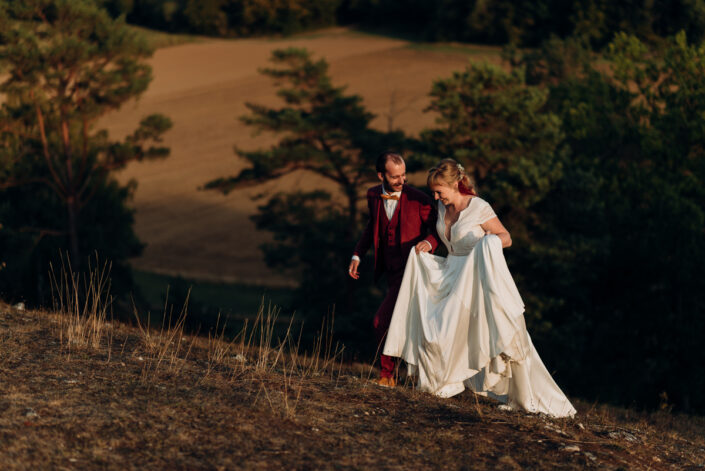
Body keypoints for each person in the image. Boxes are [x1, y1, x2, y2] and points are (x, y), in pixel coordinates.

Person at [383, 158, 576, 417]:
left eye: (440, 191)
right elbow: (441, 237)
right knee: (436, 328)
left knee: (498, 331)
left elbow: (505, 236)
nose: (436, 197)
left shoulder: (478, 207)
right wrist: (429, 245)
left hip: (475, 277)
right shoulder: (442, 208)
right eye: (434, 193)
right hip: (450, 275)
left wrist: (490, 244)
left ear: (455, 185)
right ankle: (439, 383)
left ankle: (524, 396)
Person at [349, 152, 439, 388]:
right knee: (404, 322)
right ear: (381, 175)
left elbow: (439, 229)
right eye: (395, 177)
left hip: (412, 272)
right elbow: (372, 226)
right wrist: (358, 253)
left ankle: (388, 374)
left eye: (404, 175)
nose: (402, 181)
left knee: (381, 321)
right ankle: (400, 376)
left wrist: (429, 243)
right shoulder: (373, 195)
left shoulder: (420, 199)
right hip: (390, 272)